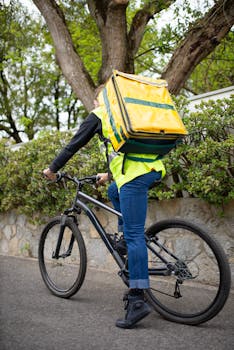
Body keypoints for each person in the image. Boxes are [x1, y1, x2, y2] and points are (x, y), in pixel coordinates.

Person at [43, 86, 166, 329]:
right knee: (113, 192)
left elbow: (73, 145)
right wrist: (109, 175)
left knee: (134, 237)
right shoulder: (126, 113)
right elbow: (131, 151)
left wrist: (52, 169)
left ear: (101, 98)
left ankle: (137, 299)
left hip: (134, 178)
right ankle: (125, 239)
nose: (95, 102)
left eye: (96, 98)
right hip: (150, 171)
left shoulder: (100, 115)